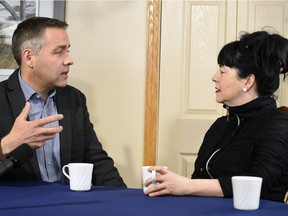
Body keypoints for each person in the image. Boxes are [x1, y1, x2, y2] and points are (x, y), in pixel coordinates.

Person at [144, 30, 288, 202]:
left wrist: (186, 185)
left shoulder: (277, 126)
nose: (214, 77)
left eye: (222, 71)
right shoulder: (221, 125)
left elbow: (258, 183)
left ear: (248, 81)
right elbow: (199, 178)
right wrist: (173, 185)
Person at [0, 16, 126, 187]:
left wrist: (122, 198)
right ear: (29, 57)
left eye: (68, 50)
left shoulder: (74, 98)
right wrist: (8, 144)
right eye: (59, 52)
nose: (69, 60)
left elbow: (96, 161)